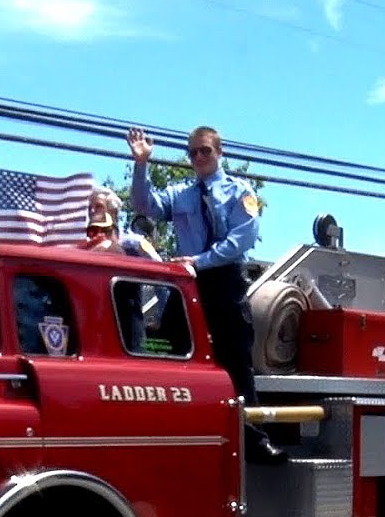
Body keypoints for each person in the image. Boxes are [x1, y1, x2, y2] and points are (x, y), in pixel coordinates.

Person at [127, 124, 286, 465]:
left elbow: (241, 239)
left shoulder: (240, 191)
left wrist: (200, 260)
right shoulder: (182, 192)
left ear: (219, 151)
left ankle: (253, 442)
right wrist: (141, 165)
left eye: (205, 151)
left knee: (237, 364)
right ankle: (174, 435)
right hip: (188, 285)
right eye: (193, 152)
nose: (198, 157)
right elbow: (145, 204)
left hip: (225, 281)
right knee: (172, 356)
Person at [77, 186, 161, 260]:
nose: (92, 211)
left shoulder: (135, 244)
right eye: (90, 208)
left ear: (113, 212)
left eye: (99, 206)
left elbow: (159, 267)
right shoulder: (84, 247)